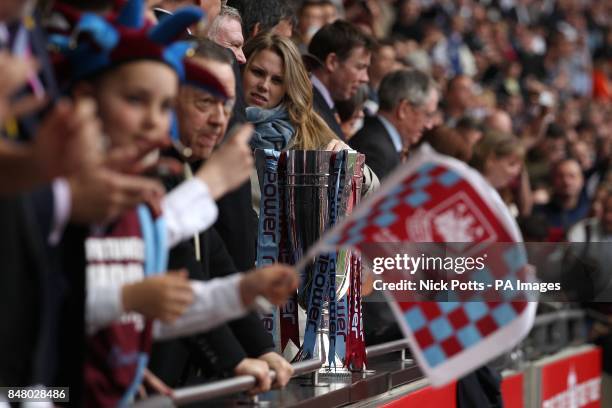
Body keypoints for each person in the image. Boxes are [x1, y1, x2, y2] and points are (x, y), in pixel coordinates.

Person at [51, 2, 297, 404]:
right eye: (136, 101)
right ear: (85, 97)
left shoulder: (145, 181)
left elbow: (169, 297)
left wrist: (243, 293)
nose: (154, 122)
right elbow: (35, 317)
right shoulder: (53, 191)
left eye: (162, 106)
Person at [150, 39, 294, 392]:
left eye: (227, 104)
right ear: (169, 100)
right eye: (205, 103)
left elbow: (216, 264)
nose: (219, 120)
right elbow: (181, 271)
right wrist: (235, 359)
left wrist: (262, 348)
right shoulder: (151, 172)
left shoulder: (185, 168)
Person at [349, 68, 439, 180]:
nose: (429, 125)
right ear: (404, 109)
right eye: (427, 115)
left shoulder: (382, 144)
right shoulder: (376, 151)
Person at [307, 20, 374, 139]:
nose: (365, 78)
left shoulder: (325, 106)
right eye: (360, 67)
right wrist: (354, 156)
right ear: (332, 62)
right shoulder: (306, 108)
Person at [533, 159, 591, 239]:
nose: (566, 182)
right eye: (561, 176)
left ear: (582, 180)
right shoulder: (538, 213)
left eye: (572, 176)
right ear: (553, 180)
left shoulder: (590, 212)